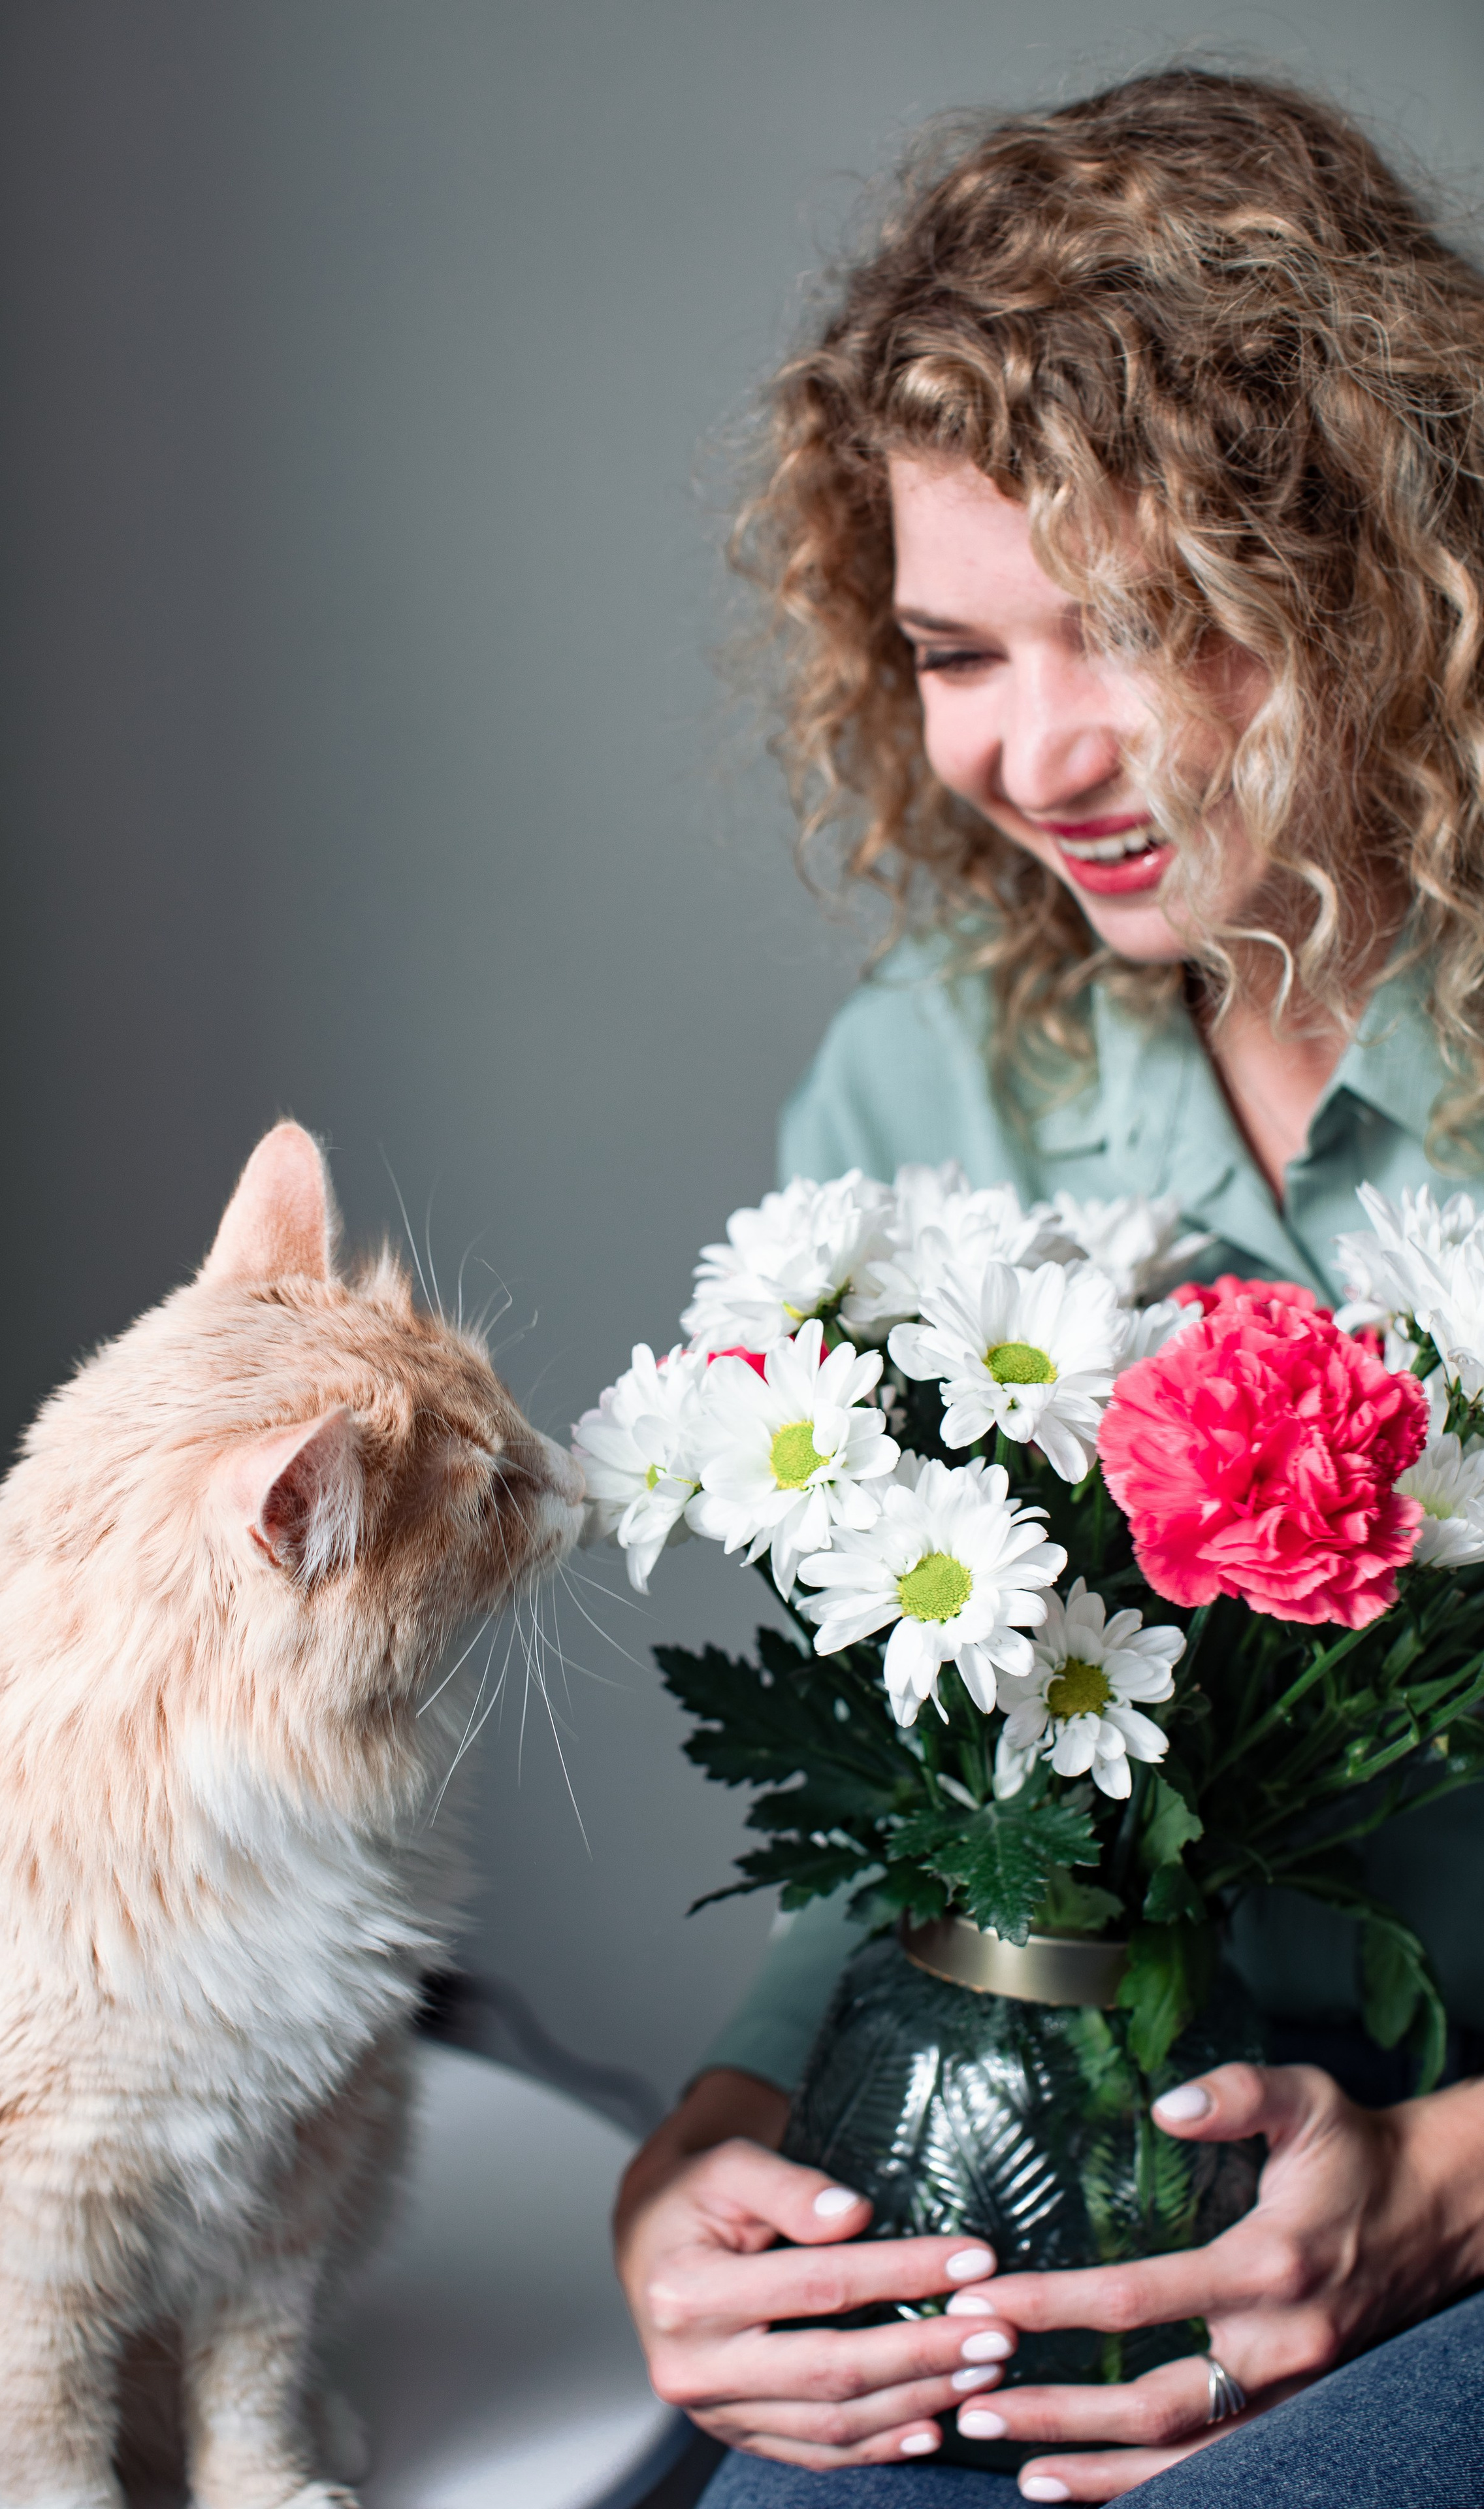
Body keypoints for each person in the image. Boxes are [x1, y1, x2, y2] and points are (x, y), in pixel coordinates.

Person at [613, 66, 1484, 2506]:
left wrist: (1447, 2187)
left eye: (1133, 624)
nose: (1029, 752)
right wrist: (698, 2166)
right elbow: (944, 1832)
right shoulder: (920, 1097)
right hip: (1093, 2194)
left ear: (1368, 578)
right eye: (951, 649)